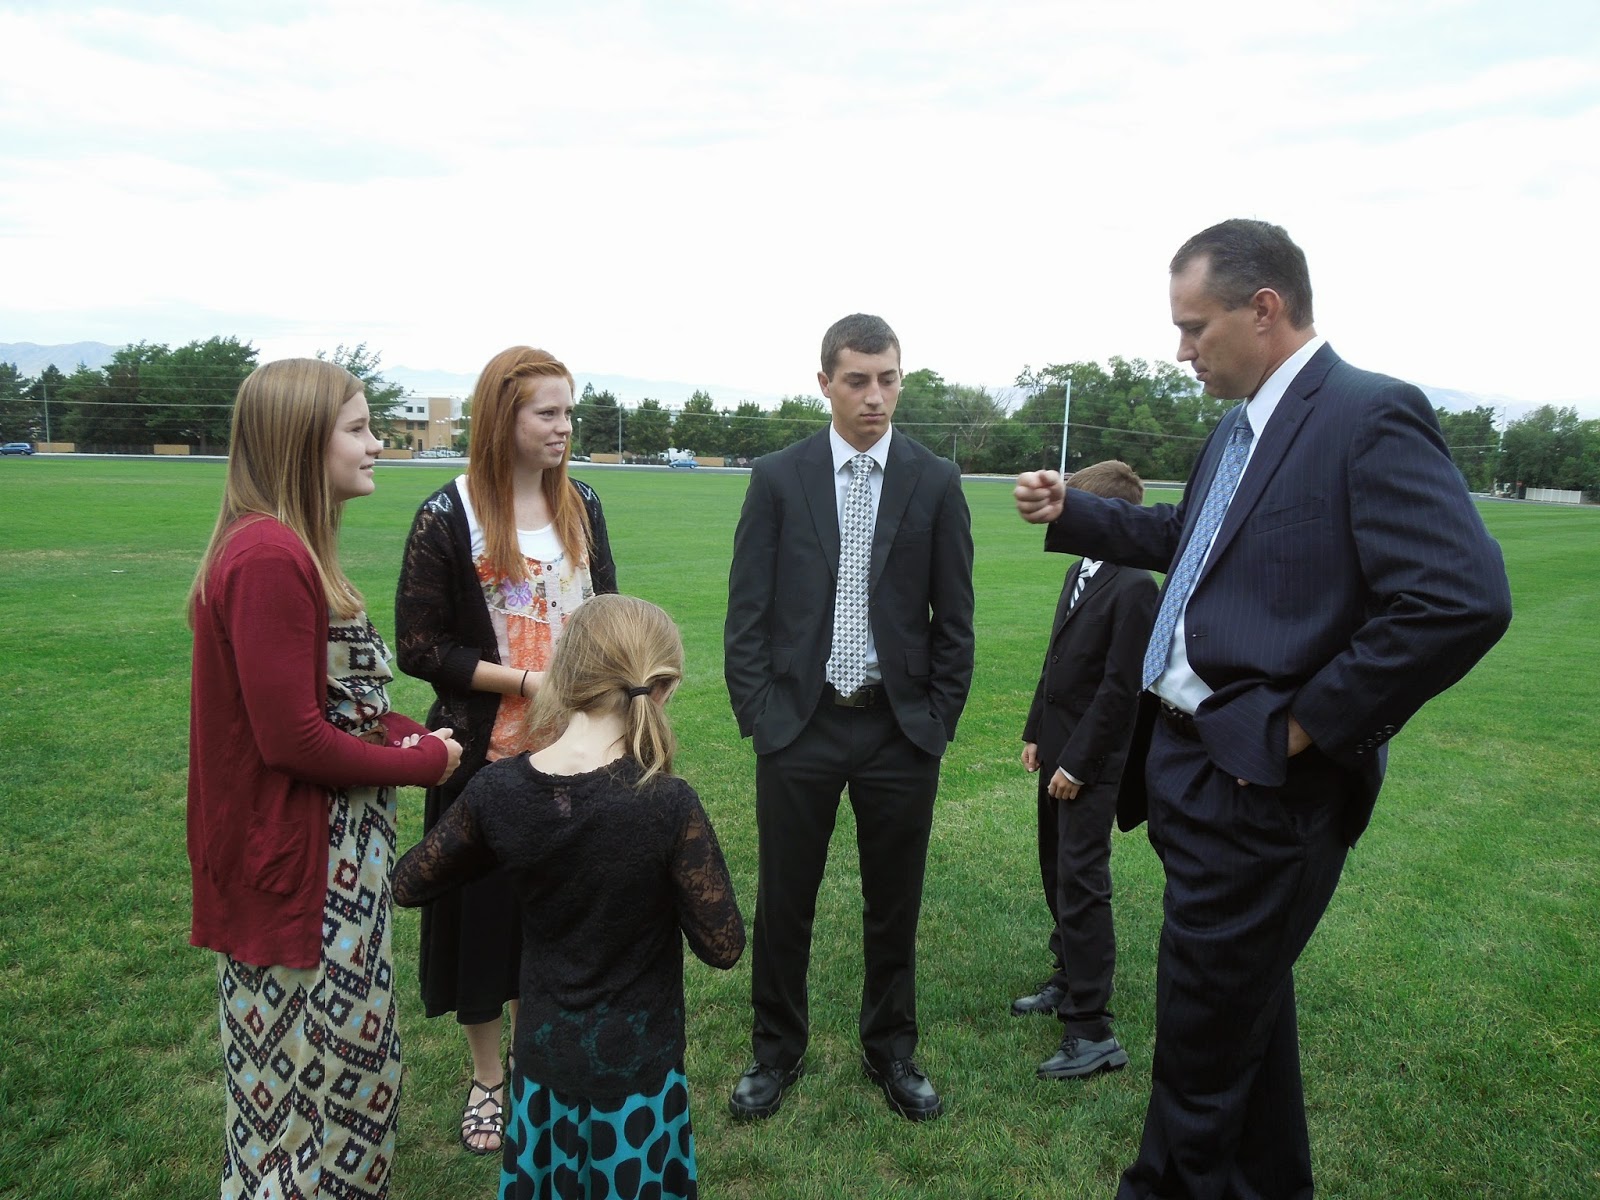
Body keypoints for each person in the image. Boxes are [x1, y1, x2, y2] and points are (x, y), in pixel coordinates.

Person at [1015, 218, 1513, 1198]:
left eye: (1193, 326)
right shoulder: (1241, 428)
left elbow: (1461, 598)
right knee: (1242, 1025)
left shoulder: (1367, 415)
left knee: (1198, 1060)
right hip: (1192, 771)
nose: (1181, 350)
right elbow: (1187, 536)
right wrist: (1074, 511)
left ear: (1264, 309)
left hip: (1258, 786)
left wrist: (1299, 727)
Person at [186, 358, 463, 1200]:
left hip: (327, 863)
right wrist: (421, 765)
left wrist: (410, 731)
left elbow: (334, 706)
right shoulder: (269, 555)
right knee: (322, 1101)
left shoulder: (287, 546)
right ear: (303, 440)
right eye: (358, 428)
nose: (377, 444)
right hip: (304, 874)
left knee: (311, 1092)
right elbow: (294, 741)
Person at [391, 593, 744, 1200]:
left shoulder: (499, 792)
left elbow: (410, 882)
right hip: (639, 1080)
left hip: (542, 1070)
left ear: (566, 674)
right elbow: (723, 945)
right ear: (661, 689)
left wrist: (509, 847)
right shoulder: (666, 804)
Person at [724, 313, 975, 1122]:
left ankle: (891, 1049)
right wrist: (761, 716)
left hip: (899, 731)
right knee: (785, 900)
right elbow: (746, 612)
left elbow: (955, 620)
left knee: (894, 902)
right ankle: (775, 1050)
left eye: (888, 379)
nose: (875, 396)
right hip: (800, 726)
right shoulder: (779, 477)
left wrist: (935, 721)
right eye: (858, 380)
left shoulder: (934, 480)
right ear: (825, 383)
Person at [395, 345, 617, 1155]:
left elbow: (607, 611)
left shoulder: (582, 504)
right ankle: (489, 1078)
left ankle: (538, 1060)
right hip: (485, 761)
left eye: (569, 412)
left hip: (579, 757)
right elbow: (419, 647)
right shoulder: (447, 515)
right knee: (482, 924)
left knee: (558, 919)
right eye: (546, 413)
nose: (564, 428)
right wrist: (526, 682)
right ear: (502, 418)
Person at [1015, 459, 1157, 1082]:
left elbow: (1122, 690)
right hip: (1056, 750)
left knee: (1082, 881)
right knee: (1056, 869)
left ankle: (1092, 1028)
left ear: (1107, 518)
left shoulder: (1136, 586)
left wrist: (1076, 763)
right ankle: (1067, 977)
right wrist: (1035, 731)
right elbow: (1057, 659)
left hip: (1090, 765)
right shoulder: (1082, 570)